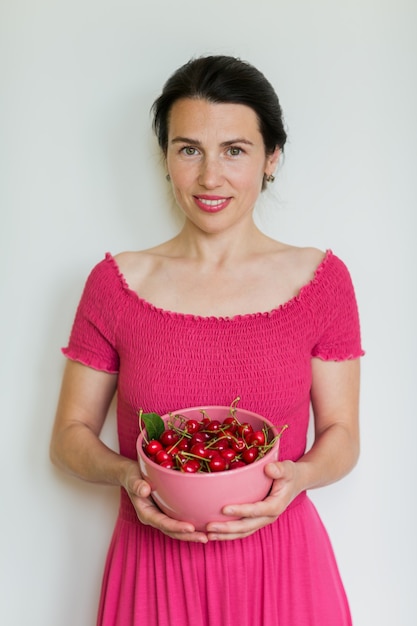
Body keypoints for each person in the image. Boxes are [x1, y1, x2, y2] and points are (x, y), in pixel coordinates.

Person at [50, 55, 364, 625]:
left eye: (235, 150)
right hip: (155, 566)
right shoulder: (116, 285)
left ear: (272, 158)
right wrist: (128, 474)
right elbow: (69, 438)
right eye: (188, 149)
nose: (209, 177)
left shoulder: (322, 283)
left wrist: (302, 478)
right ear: (166, 157)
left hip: (282, 565)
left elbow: (342, 434)